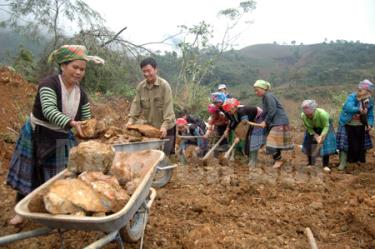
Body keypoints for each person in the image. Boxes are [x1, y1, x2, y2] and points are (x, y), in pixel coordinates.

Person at [6, 45, 103, 225]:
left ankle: (53, 210)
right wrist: (72, 123)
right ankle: (22, 211)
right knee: (30, 173)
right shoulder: (48, 85)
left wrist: (90, 130)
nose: (79, 72)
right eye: (75, 67)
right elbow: (49, 110)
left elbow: (87, 118)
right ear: (63, 66)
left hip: (60, 137)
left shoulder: (81, 94)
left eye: (82, 69)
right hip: (37, 133)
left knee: (58, 176)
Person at [127, 57, 176, 154]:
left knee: (167, 155)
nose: (146, 74)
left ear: (156, 69)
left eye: (149, 71)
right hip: (151, 129)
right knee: (152, 155)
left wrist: (165, 126)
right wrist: (130, 121)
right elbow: (136, 106)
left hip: (167, 127)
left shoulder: (164, 86)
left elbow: (168, 108)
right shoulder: (141, 87)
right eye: (144, 71)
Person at [253, 79, 294, 168]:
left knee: (271, 140)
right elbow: (265, 111)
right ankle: (278, 159)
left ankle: (278, 160)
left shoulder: (269, 96)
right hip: (275, 121)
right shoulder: (265, 97)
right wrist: (258, 119)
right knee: (274, 141)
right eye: (255, 91)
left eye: (257, 90)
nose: (256, 92)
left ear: (263, 89)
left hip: (279, 121)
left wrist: (265, 121)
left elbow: (272, 110)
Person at [336, 79, 374, 170]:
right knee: (344, 145)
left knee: (360, 145)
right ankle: (343, 163)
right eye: (362, 92)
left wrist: (370, 124)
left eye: (367, 93)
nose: (364, 94)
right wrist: (359, 109)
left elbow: (370, 115)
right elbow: (348, 108)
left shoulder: (370, 102)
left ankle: (359, 163)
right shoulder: (351, 97)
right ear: (359, 91)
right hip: (347, 123)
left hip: (360, 125)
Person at [222, 98, 265, 166]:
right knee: (247, 139)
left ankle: (253, 160)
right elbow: (237, 127)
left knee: (253, 137)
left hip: (258, 116)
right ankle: (249, 157)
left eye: (230, 110)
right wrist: (237, 136)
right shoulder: (233, 114)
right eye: (228, 111)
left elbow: (246, 123)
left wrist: (260, 125)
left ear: (235, 107)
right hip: (250, 120)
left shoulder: (241, 111)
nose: (229, 112)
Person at [300, 100, 337, 172]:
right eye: (307, 115)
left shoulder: (322, 114)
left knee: (325, 144)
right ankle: (311, 163)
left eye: (310, 115)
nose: (309, 116)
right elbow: (308, 127)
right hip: (313, 128)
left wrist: (321, 136)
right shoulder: (303, 115)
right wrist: (315, 134)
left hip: (325, 127)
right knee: (310, 143)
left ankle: (325, 165)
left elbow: (326, 126)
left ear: (314, 110)